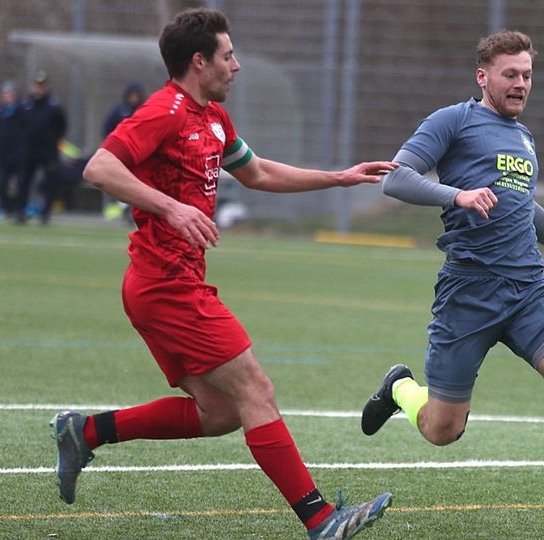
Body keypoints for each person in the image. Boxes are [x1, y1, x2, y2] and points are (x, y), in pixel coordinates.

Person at [52, 8, 395, 539]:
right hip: (164, 283)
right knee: (256, 389)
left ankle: (87, 431)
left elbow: (256, 172)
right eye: (228, 56)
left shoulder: (213, 116)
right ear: (199, 61)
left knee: (219, 412)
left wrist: (339, 178)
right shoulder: (163, 111)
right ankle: (322, 521)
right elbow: (98, 167)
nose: (236, 65)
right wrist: (169, 207)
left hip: (172, 284)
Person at [360, 30, 544, 540]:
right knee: (442, 429)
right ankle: (400, 388)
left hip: (528, 290)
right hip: (469, 293)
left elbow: (525, 207)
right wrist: (456, 195)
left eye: (527, 76)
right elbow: (396, 177)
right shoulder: (452, 121)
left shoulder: (524, 137)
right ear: (484, 76)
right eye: (510, 75)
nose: (521, 84)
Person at [16, 70, 67, 225]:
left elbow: (62, 126)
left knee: (49, 183)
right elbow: (19, 126)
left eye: (42, 86)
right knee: (24, 181)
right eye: (37, 85)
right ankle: (20, 212)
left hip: (47, 152)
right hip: (28, 151)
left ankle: (45, 213)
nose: (39, 89)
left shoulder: (54, 107)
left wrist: (53, 142)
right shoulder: (25, 105)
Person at [102, 82, 146, 222]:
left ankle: (130, 211)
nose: (133, 99)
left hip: (139, 155)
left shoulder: (143, 110)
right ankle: (116, 209)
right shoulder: (119, 110)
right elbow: (107, 128)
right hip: (120, 154)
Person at [0, 81, 25, 219]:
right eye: (6, 94)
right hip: (4, 156)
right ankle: (6, 208)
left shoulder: (22, 112)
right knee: (1, 185)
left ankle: (19, 210)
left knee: (20, 184)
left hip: (19, 155)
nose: (8, 96)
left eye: (10, 93)